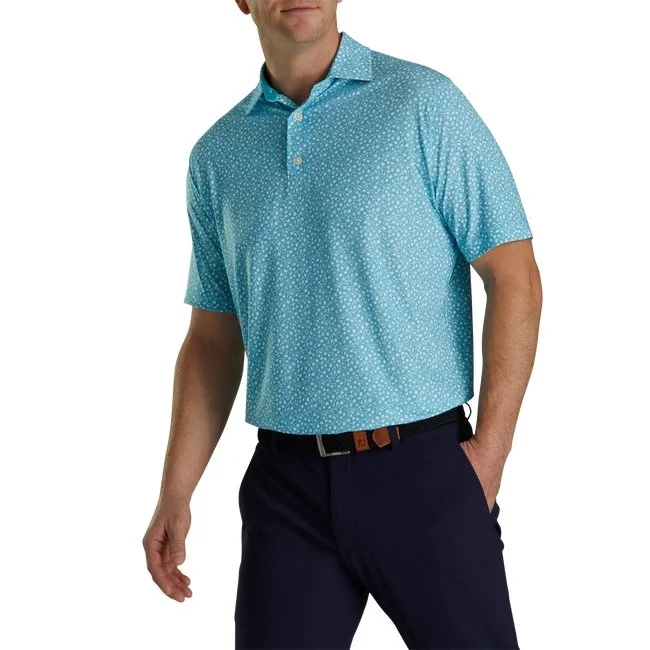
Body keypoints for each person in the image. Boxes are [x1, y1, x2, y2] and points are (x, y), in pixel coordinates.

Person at [143, 1, 543, 648]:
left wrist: (489, 456)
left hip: (424, 471)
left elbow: (514, 275)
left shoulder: (422, 104)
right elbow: (213, 339)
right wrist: (176, 490)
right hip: (286, 490)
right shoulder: (218, 156)